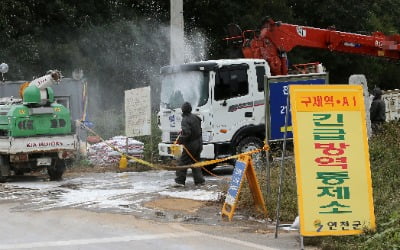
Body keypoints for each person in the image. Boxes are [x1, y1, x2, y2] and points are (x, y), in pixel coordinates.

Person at [174, 102, 205, 187]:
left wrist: (180, 140)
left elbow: (187, 133)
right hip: (199, 143)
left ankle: (179, 181)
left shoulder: (185, 119)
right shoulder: (196, 117)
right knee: (195, 162)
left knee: (182, 163)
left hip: (191, 145)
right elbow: (195, 130)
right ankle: (199, 181)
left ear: (183, 110)